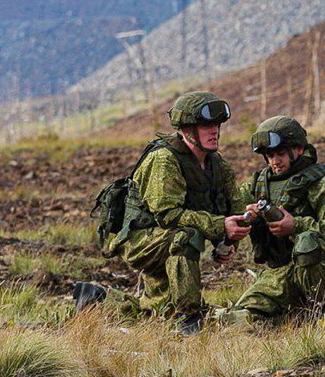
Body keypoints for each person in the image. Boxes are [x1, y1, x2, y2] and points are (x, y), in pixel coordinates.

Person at [99, 91, 249, 333]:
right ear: (187, 130)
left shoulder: (217, 165)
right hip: (140, 240)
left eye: (217, 125)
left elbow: (235, 209)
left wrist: (229, 240)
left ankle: (96, 300)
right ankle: (189, 320)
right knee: (186, 236)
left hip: (167, 241)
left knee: (154, 313)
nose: (215, 131)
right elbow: (168, 215)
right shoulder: (164, 160)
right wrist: (220, 225)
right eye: (206, 125)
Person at [226, 116, 325, 320]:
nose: (275, 162)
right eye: (269, 156)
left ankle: (320, 311)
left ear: (299, 149)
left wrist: (296, 225)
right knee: (243, 317)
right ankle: (295, 312)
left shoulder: (324, 183)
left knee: (307, 241)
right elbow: (230, 211)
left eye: (280, 154)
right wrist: (245, 218)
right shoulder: (259, 184)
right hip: (281, 271)